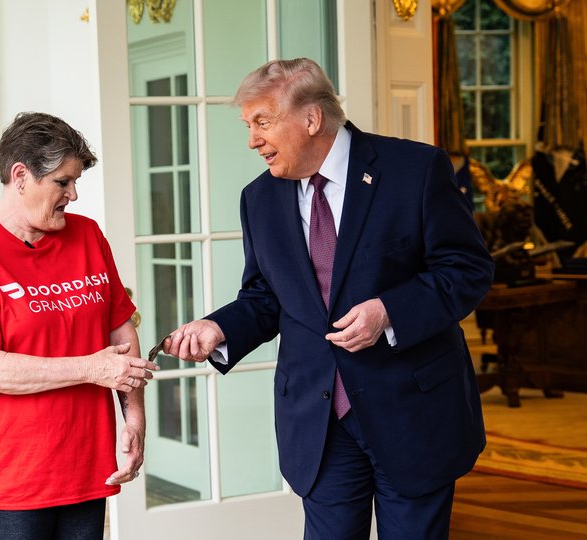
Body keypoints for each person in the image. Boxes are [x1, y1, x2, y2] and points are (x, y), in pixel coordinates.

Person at [163, 59, 494, 539]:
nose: (252, 139)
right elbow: (266, 296)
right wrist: (219, 328)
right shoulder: (259, 199)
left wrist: (389, 312)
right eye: (248, 125)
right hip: (318, 423)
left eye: (262, 122)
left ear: (311, 119)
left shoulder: (415, 170)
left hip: (413, 413)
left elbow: (467, 269)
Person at [0, 112, 158, 540]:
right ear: (20, 175)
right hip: (12, 473)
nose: (73, 194)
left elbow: (120, 332)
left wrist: (134, 419)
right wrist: (90, 369)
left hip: (87, 462)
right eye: (62, 182)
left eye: (75, 182)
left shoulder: (87, 236)